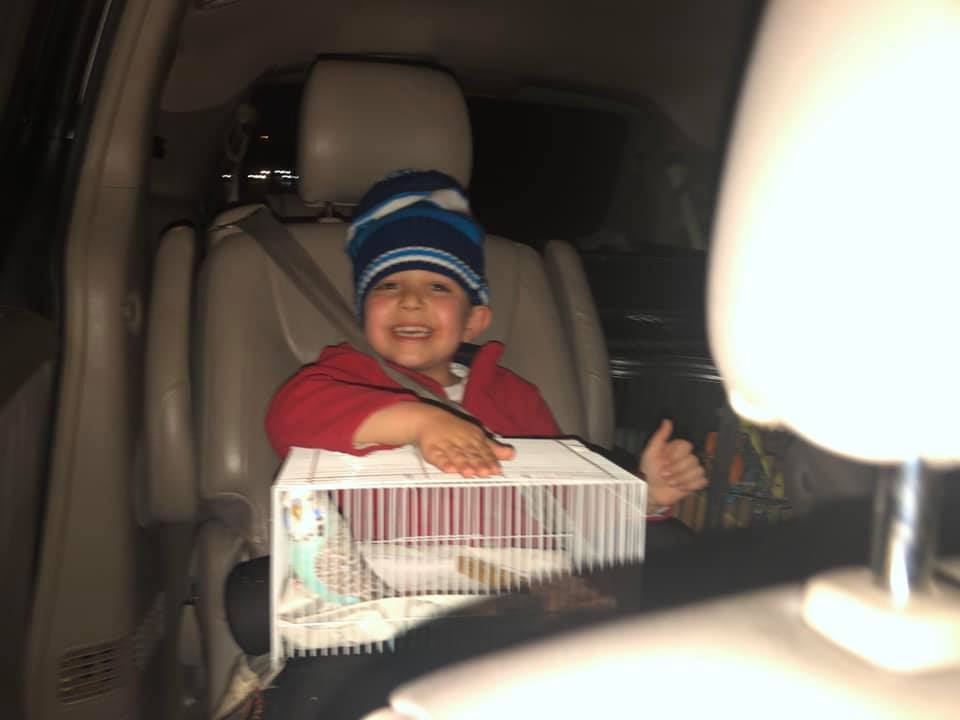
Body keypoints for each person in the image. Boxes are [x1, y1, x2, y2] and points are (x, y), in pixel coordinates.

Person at [265, 169, 706, 513]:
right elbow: (290, 416)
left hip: (509, 578)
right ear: (363, 315)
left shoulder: (514, 396)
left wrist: (645, 496)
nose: (411, 300)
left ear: (474, 321)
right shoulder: (344, 375)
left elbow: (565, 497)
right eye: (388, 286)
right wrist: (420, 423)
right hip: (377, 584)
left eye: (438, 287)